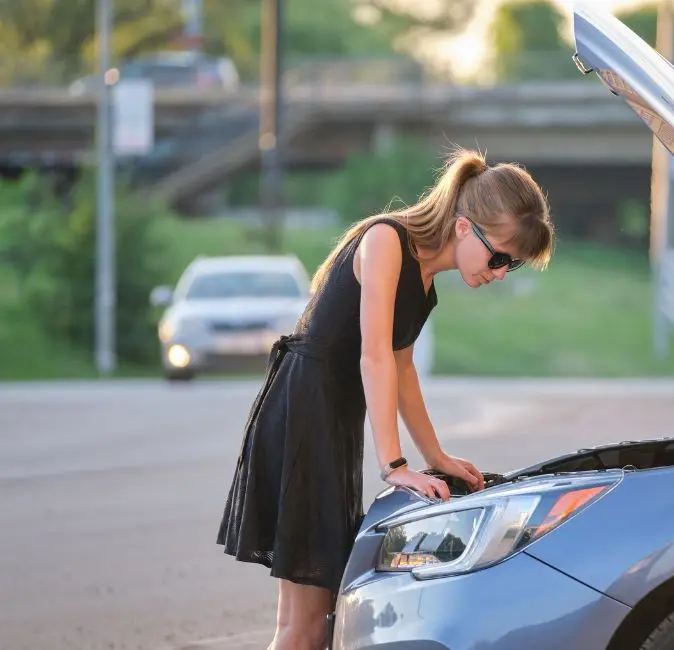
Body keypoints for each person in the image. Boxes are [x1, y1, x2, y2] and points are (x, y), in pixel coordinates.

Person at [216, 147, 555, 650]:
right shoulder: (386, 241)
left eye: (514, 266)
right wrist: (394, 464)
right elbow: (373, 356)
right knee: (305, 627)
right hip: (305, 415)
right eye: (500, 256)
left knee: (311, 622)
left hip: (329, 421)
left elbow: (402, 372)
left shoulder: (424, 280)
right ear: (464, 229)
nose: (501, 272)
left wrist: (437, 458)